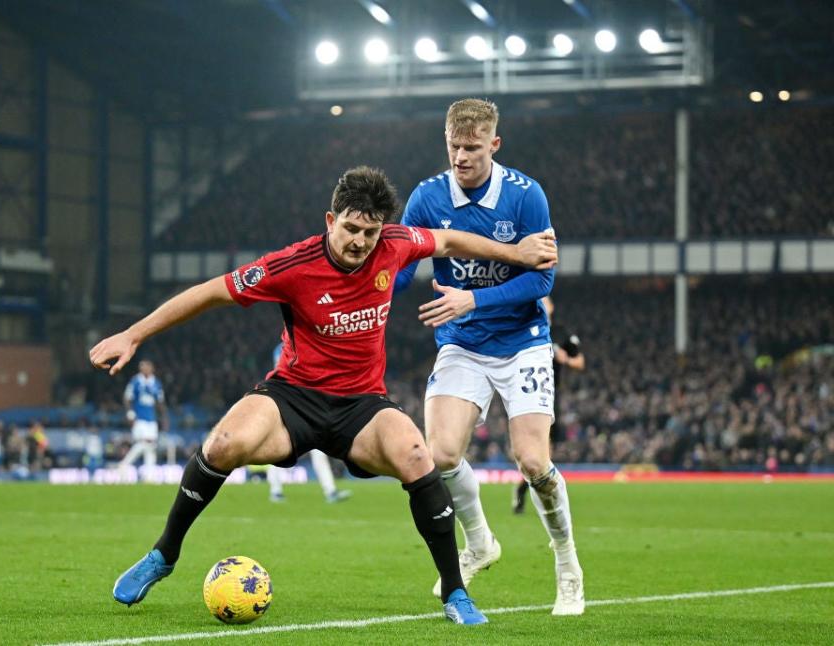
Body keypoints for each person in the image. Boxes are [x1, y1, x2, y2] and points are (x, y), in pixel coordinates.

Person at [90, 165, 557, 624]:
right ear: (330, 221)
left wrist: (515, 253)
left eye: (370, 233)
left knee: (418, 455)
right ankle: (164, 554)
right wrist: (133, 335)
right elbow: (209, 292)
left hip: (361, 405)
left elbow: (450, 240)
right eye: (351, 228)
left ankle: (455, 591)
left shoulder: (396, 243)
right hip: (293, 396)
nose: (360, 241)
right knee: (222, 445)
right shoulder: (291, 265)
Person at [394, 98, 585, 615]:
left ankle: (567, 565)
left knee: (532, 461)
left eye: (472, 148)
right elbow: (405, 266)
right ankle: (480, 543)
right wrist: (375, 291)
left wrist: (471, 297)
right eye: (454, 146)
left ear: (494, 145)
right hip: (461, 342)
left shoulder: (526, 196)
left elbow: (541, 277)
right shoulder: (427, 197)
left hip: (522, 340)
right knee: (442, 455)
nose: (461, 156)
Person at [514, 295, 584, 514]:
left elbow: (580, 362)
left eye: (545, 301)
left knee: (544, 453)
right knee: (534, 451)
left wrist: (566, 360)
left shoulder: (562, 333)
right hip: (525, 395)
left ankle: (525, 492)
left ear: (552, 307)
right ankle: (531, 494)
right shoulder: (522, 328)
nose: (541, 303)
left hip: (551, 397)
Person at [267, 342, 352, 504]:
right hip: (289, 402)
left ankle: (330, 491)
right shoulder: (282, 349)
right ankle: (275, 490)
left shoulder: (307, 344)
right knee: (279, 447)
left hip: (308, 403)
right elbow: (283, 373)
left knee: (319, 450)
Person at [118, 359, 168, 480]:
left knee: (150, 447)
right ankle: (124, 464)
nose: (143, 369)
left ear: (152, 368)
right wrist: (130, 414)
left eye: (146, 366)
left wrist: (164, 417)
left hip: (152, 419)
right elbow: (127, 398)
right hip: (139, 419)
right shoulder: (135, 381)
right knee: (145, 443)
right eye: (142, 366)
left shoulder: (156, 383)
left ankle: (149, 476)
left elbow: (160, 402)